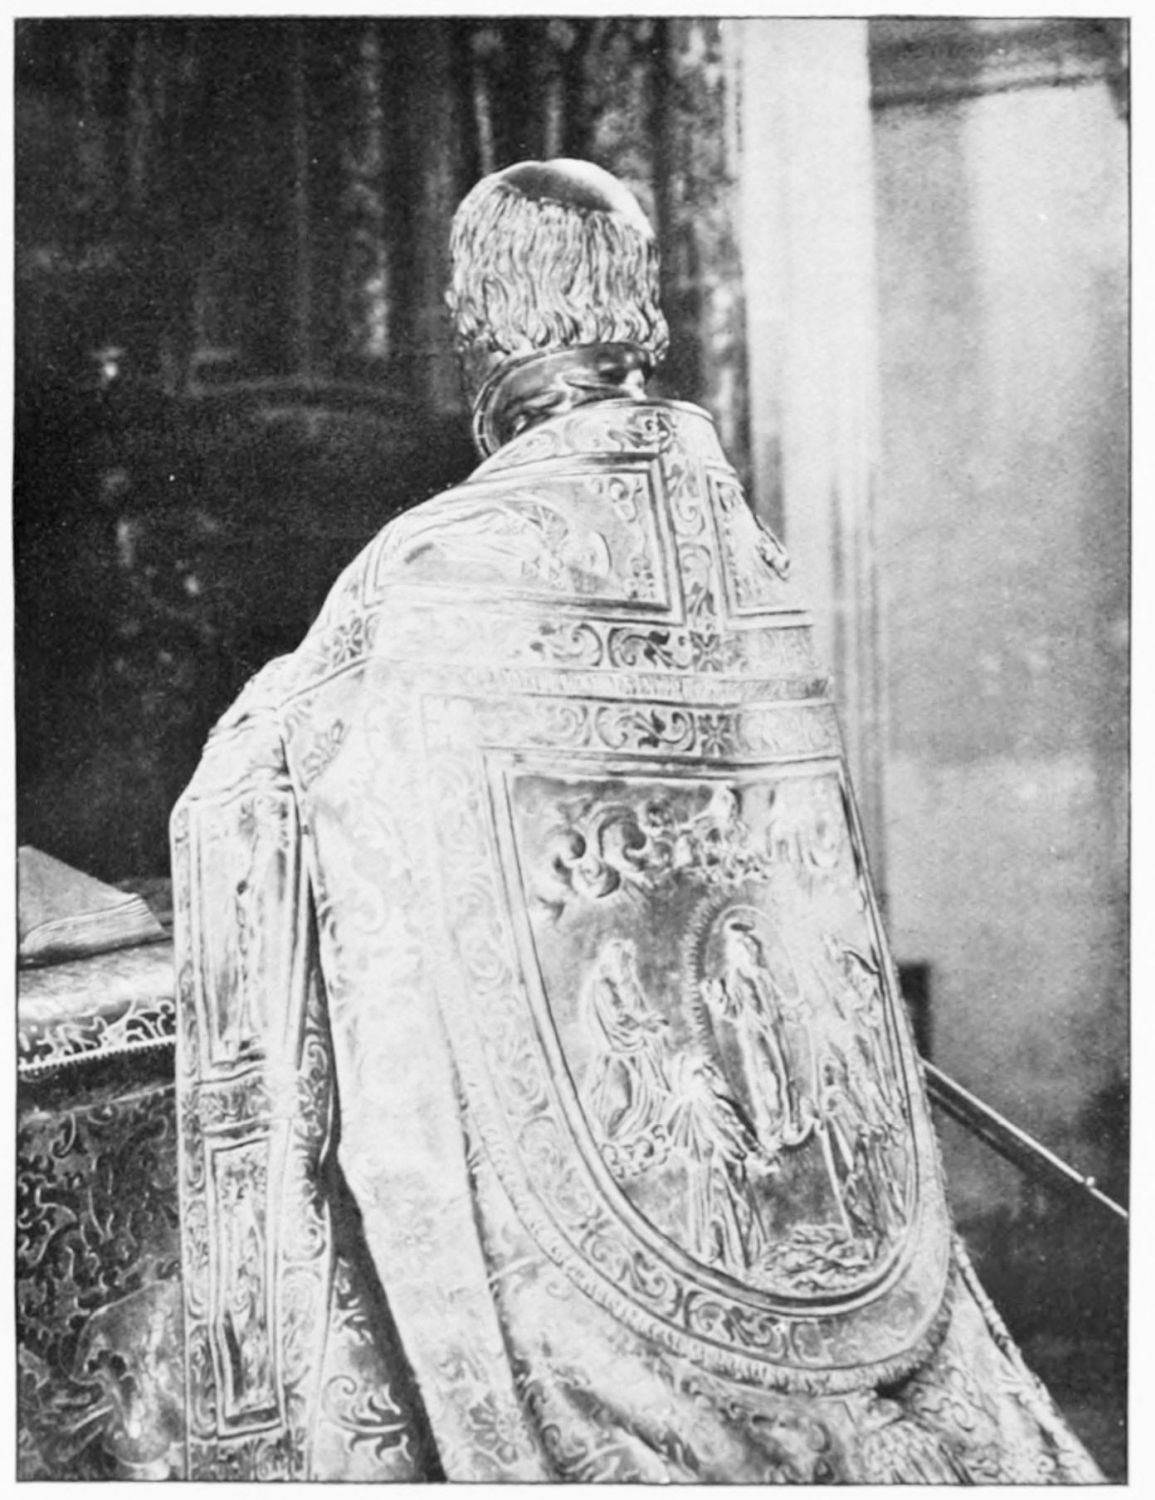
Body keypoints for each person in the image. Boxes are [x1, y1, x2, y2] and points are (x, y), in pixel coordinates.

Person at [172, 158, 1102, 1482]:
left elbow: (262, 794)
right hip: (803, 1203)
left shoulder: (438, 566)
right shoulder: (748, 555)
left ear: (478, 316)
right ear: (637, 303)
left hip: (605, 1295)